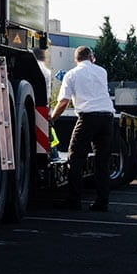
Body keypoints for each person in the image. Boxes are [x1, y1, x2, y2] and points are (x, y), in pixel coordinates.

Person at [48, 46, 116, 212]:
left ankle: (74, 199)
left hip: (88, 118)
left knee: (75, 158)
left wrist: (51, 119)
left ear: (75, 59)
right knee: (102, 161)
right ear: (91, 57)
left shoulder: (71, 75)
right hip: (107, 118)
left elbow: (63, 102)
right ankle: (102, 201)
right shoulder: (102, 71)